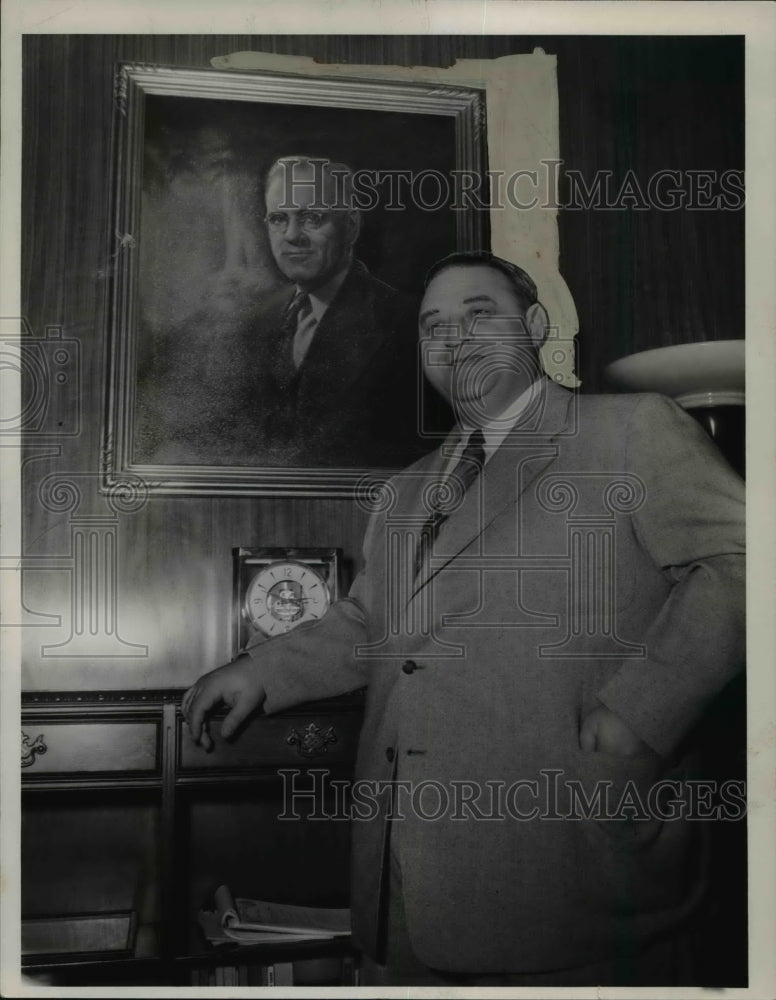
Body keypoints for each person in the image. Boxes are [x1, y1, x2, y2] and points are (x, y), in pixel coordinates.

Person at [183, 252, 746, 985]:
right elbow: (369, 622)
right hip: (406, 891)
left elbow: (746, 565)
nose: (455, 338)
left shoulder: (633, 430)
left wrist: (641, 716)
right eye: (433, 325)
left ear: (535, 327)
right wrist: (259, 669)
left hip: (573, 882)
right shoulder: (406, 490)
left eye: (481, 314)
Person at [248, 155, 436, 467]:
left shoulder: (408, 325)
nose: (292, 235)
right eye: (279, 218)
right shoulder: (256, 323)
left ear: (350, 227)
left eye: (312, 218)